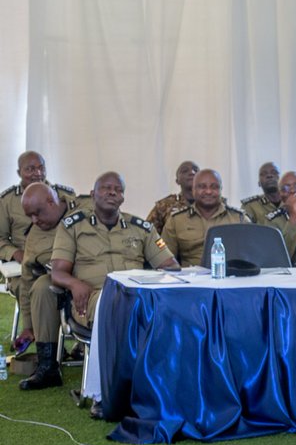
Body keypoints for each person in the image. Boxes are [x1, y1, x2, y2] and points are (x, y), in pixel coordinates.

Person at [49, 172, 178, 331]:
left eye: (118, 190)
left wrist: (154, 285)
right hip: (95, 297)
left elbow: (171, 266)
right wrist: (74, 284)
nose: (112, 192)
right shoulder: (72, 227)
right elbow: (57, 273)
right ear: (92, 195)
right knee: (119, 306)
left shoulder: (141, 229)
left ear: (122, 198)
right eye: (106, 188)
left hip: (137, 295)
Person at [0, 152, 78, 345]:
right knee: (36, 289)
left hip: (60, 259)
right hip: (24, 266)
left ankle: (76, 339)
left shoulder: (64, 195)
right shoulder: (7, 201)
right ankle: (38, 334)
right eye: (30, 169)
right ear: (19, 172)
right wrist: (15, 253)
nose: (37, 173)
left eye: (41, 167)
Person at [15, 183, 74, 389]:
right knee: (41, 286)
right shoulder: (35, 233)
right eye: (29, 216)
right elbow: (26, 280)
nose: (34, 220)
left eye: (37, 213)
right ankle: (47, 366)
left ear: (51, 202)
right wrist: (28, 326)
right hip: (63, 290)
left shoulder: (85, 212)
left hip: (94, 280)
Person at [161, 169, 248, 267]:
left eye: (214, 187)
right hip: (192, 279)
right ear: (193, 190)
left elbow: (251, 256)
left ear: (221, 189)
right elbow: (165, 259)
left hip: (230, 277)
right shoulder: (176, 221)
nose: (208, 191)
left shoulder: (239, 219)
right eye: (202, 187)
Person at [146, 160, 199, 232]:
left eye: (196, 170)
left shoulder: (211, 202)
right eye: (185, 171)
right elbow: (148, 234)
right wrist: (162, 244)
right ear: (177, 181)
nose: (192, 173)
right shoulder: (164, 205)